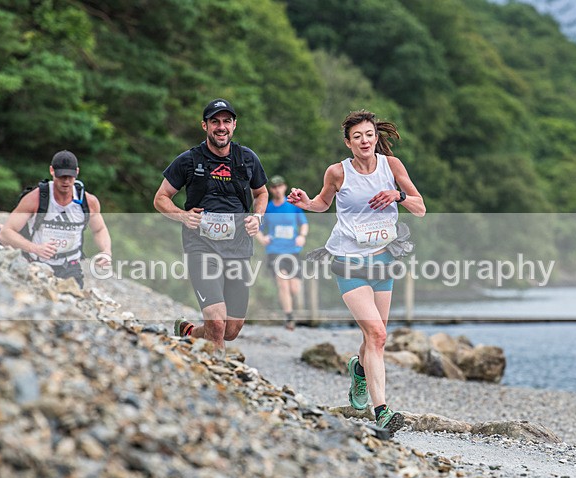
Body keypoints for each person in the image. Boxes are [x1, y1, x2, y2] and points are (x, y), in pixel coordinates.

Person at [287, 109, 426, 435]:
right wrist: (306, 203)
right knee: (377, 335)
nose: (364, 141)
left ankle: (359, 370)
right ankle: (382, 412)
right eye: (357, 136)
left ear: (376, 138)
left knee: (374, 338)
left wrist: (398, 195)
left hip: (383, 261)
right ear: (348, 142)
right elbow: (323, 203)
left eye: (369, 135)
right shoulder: (338, 172)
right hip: (348, 262)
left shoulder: (392, 167)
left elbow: (420, 208)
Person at [154, 98, 268, 354]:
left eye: (226, 121)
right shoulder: (188, 160)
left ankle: (189, 334)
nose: (221, 127)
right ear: (204, 125)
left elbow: (261, 193)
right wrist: (183, 216)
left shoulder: (247, 158)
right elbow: (160, 198)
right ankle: (219, 376)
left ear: (234, 125)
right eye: (215, 121)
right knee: (216, 323)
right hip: (201, 247)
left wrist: (258, 217)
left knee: (231, 329)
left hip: (238, 249)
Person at [0, 150, 112, 288]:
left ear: (77, 172)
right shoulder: (35, 198)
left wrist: (106, 251)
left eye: (70, 176)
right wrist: (34, 248)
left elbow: (99, 229)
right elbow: (5, 234)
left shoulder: (88, 202)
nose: (66, 181)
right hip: (37, 264)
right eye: (61, 176)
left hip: (70, 266)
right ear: (52, 171)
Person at [256, 175, 309, 330]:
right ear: (271, 190)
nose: (277, 190)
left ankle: (293, 310)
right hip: (275, 251)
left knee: (294, 288)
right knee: (282, 283)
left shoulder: (293, 205)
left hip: (293, 250)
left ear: (284, 187)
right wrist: (262, 239)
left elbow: (304, 223)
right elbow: (257, 228)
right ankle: (289, 317)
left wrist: (302, 236)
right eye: (274, 187)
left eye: (280, 186)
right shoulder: (268, 208)